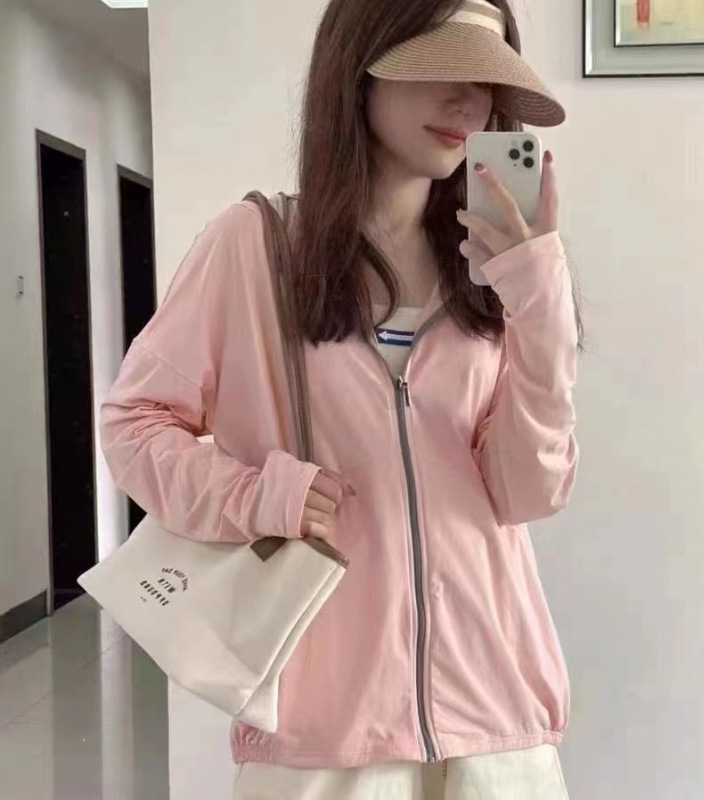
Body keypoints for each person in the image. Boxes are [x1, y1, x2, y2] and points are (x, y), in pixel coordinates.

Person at [100, 0, 582, 797]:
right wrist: (259, 496)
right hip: (323, 727)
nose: (469, 100)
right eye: (440, 68)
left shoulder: (492, 273)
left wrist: (540, 293)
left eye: (486, 79)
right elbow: (134, 423)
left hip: (496, 714)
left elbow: (527, 490)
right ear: (359, 68)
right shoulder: (255, 246)